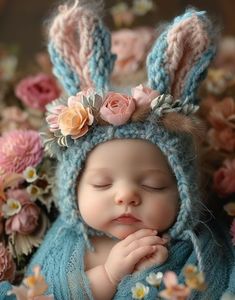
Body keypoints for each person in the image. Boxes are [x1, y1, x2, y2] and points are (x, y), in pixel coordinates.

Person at [1, 1, 235, 299]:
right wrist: (110, 274)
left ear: (184, 191)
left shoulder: (198, 246)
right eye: (102, 183)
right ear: (72, 190)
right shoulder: (69, 244)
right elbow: (46, 293)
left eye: (154, 184)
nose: (126, 196)